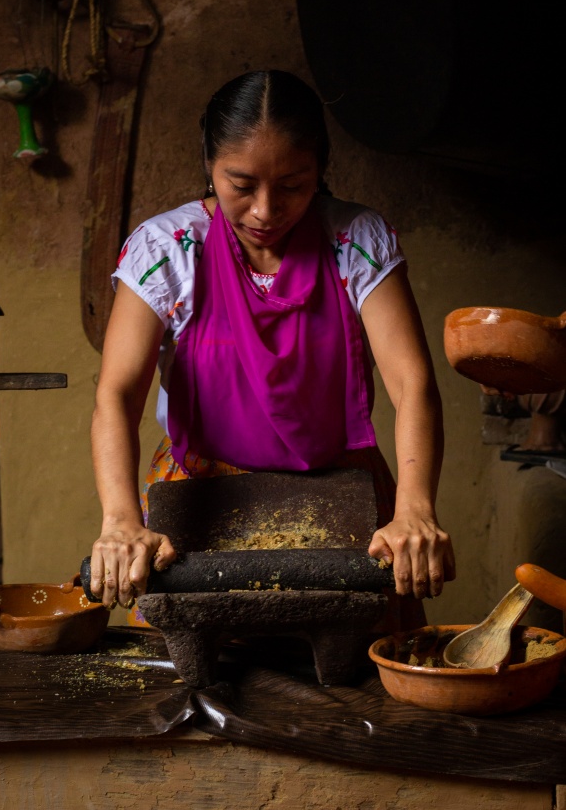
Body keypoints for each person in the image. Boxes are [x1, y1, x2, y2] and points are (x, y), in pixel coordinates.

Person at [89, 69, 455, 632]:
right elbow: (116, 394)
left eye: (292, 185)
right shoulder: (167, 249)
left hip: (341, 489)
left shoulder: (355, 239)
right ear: (209, 164)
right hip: (201, 490)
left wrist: (415, 511)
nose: (265, 209)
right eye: (241, 185)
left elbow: (413, 385)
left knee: (363, 657)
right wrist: (119, 521)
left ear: (319, 169)